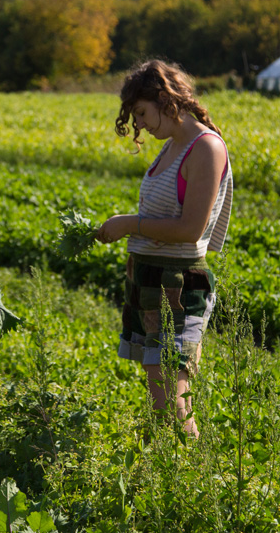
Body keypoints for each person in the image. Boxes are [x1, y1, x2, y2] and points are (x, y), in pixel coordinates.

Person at [96, 59, 232, 438]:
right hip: (149, 280)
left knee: (170, 398)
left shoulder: (205, 148)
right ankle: (174, 476)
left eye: (141, 113)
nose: (138, 124)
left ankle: (191, 480)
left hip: (178, 285)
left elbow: (190, 230)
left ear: (164, 98)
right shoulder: (171, 146)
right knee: (163, 394)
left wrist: (128, 224)